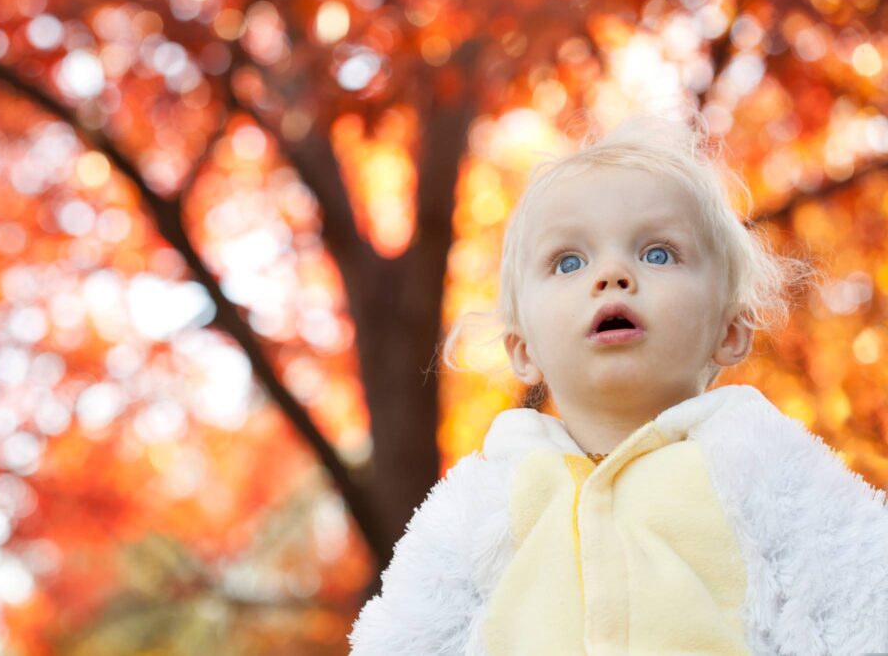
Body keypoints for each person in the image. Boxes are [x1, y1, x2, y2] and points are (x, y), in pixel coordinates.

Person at [347, 111, 888, 655]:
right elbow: (404, 638)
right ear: (524, 350)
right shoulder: (489, 499)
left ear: (730, 330)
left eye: (658, 253)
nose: (612, 275)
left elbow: (863, 603)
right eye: (568, 262)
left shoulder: (765, 471)